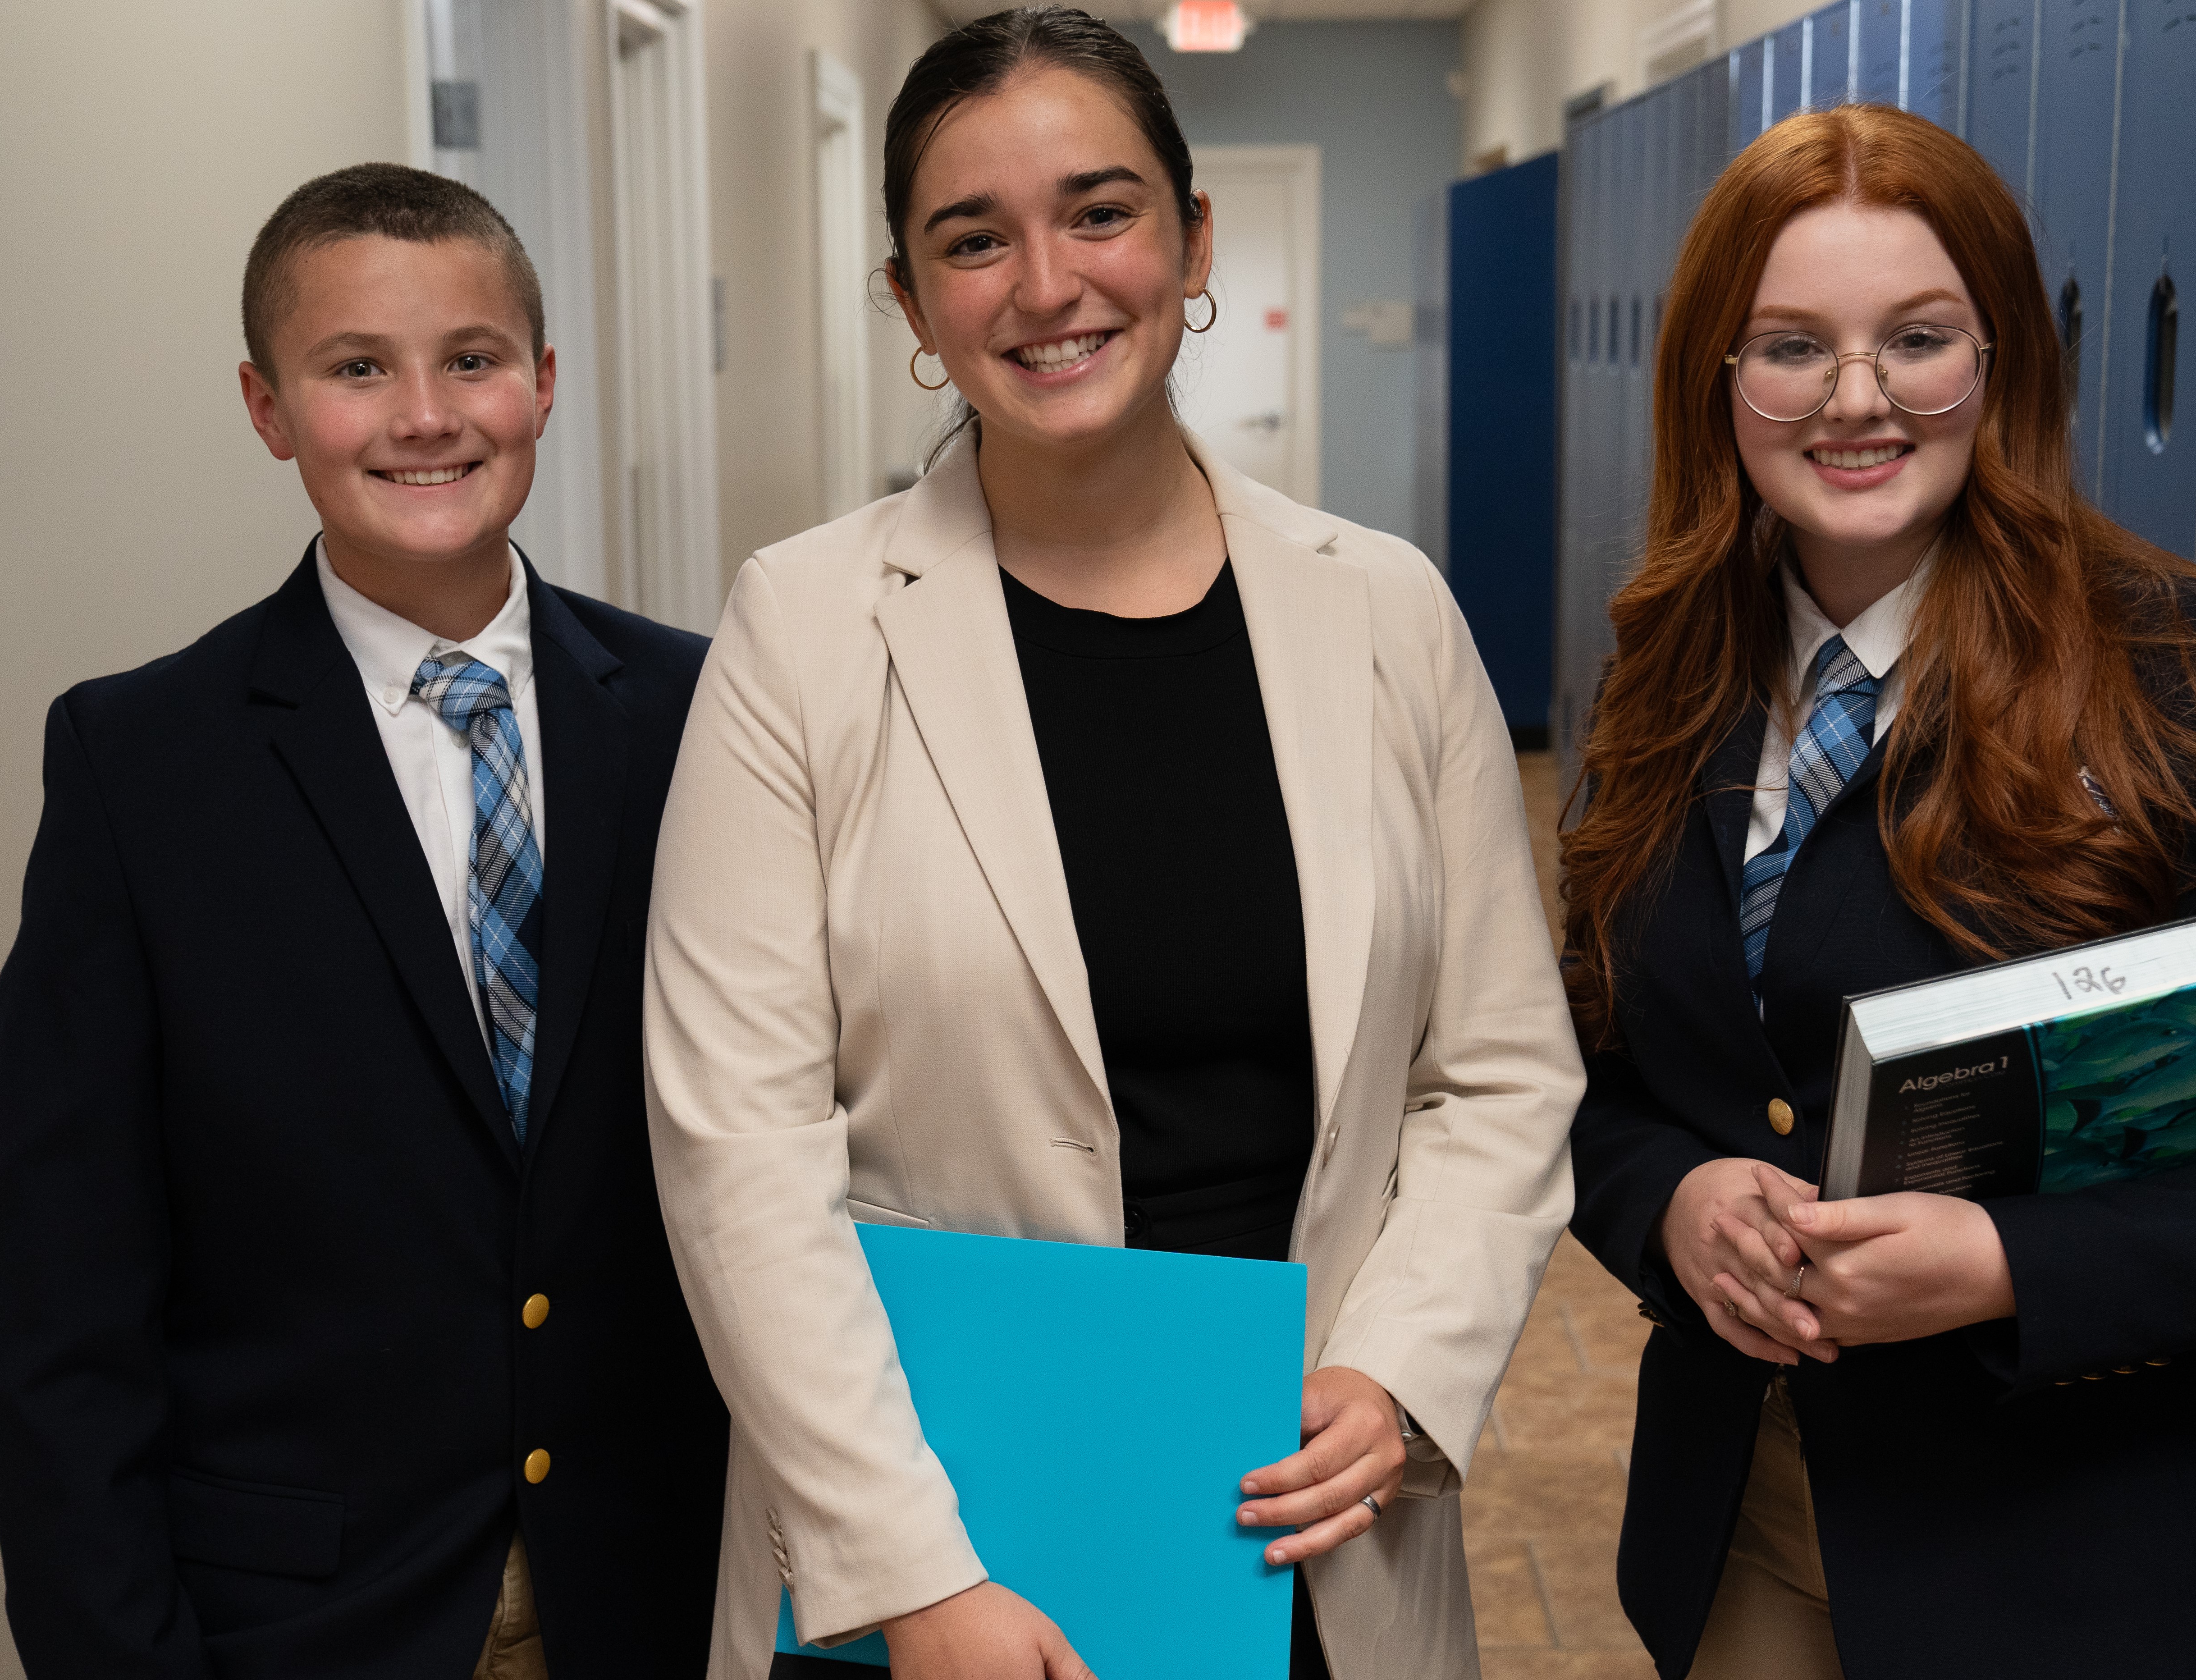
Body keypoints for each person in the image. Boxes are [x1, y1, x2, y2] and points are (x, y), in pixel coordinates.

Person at [640, 10, 1582, 1680]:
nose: (1047, 282)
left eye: (1100, 209)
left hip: (1305, 1522)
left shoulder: (1386, 611)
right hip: (943, 1552)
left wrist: (1403, 1373)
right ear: (911, 301)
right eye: (971, 240)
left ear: (1191, 237)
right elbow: (738, 1151)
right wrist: (907, 1571)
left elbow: (1499, 1071)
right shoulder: (798, 631)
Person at [1562, 104, 2196, 1680]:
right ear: (1716, 384)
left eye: (1914, 339)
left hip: (2080, 1568)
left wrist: (2004, 1268)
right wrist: (1673, 1203)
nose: (1855, 400)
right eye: (1790, 347)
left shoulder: (2183, 679)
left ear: (1996, 365)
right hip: (1757, 1532)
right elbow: (1603, 1082)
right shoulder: (1669, 674)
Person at [0, 164, 727, 1679]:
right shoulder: (143, 765)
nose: (425, 416)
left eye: (471, 358)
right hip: (306, 1619)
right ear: (267, 407)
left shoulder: (699, 709)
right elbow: (62, 1304)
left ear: (543, 380)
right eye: (355, 371)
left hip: (664, 1592)